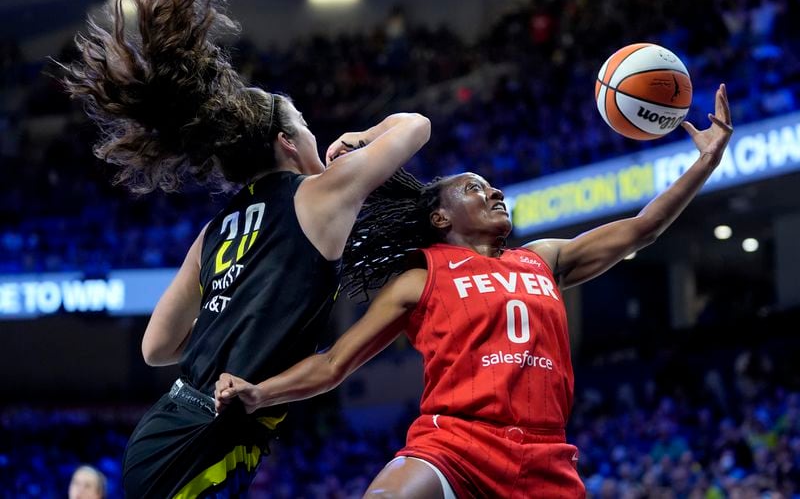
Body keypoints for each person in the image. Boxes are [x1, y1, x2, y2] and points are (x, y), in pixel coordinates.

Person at [215, 84, 734, 497]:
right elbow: (334, 366)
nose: (494, 191)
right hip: (456, 443)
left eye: (492, 187)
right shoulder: (421, 277)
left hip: (545, 457)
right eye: (474, 188)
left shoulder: (544, 258)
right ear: (440, 216)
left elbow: (643, 227)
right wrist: (261, 393)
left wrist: (705, 163)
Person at [60, 0, 430, 497]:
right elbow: (417, 125)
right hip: (207, 439)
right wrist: (363, 136)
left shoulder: (214, 230)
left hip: (164, 429)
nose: (314, 133)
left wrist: (229, 325)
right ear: (286, 140)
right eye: (304, 122)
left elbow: (156, 346)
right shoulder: (320, 196)